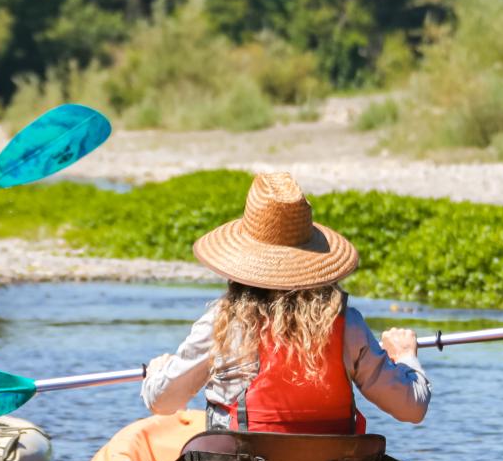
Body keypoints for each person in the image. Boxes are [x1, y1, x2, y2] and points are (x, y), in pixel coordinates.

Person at [142, 172, 429, 433]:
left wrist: (157, 373)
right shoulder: (347, 324)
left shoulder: (222, 323)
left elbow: (162, 402)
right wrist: (406, 357)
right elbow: (412, 408)